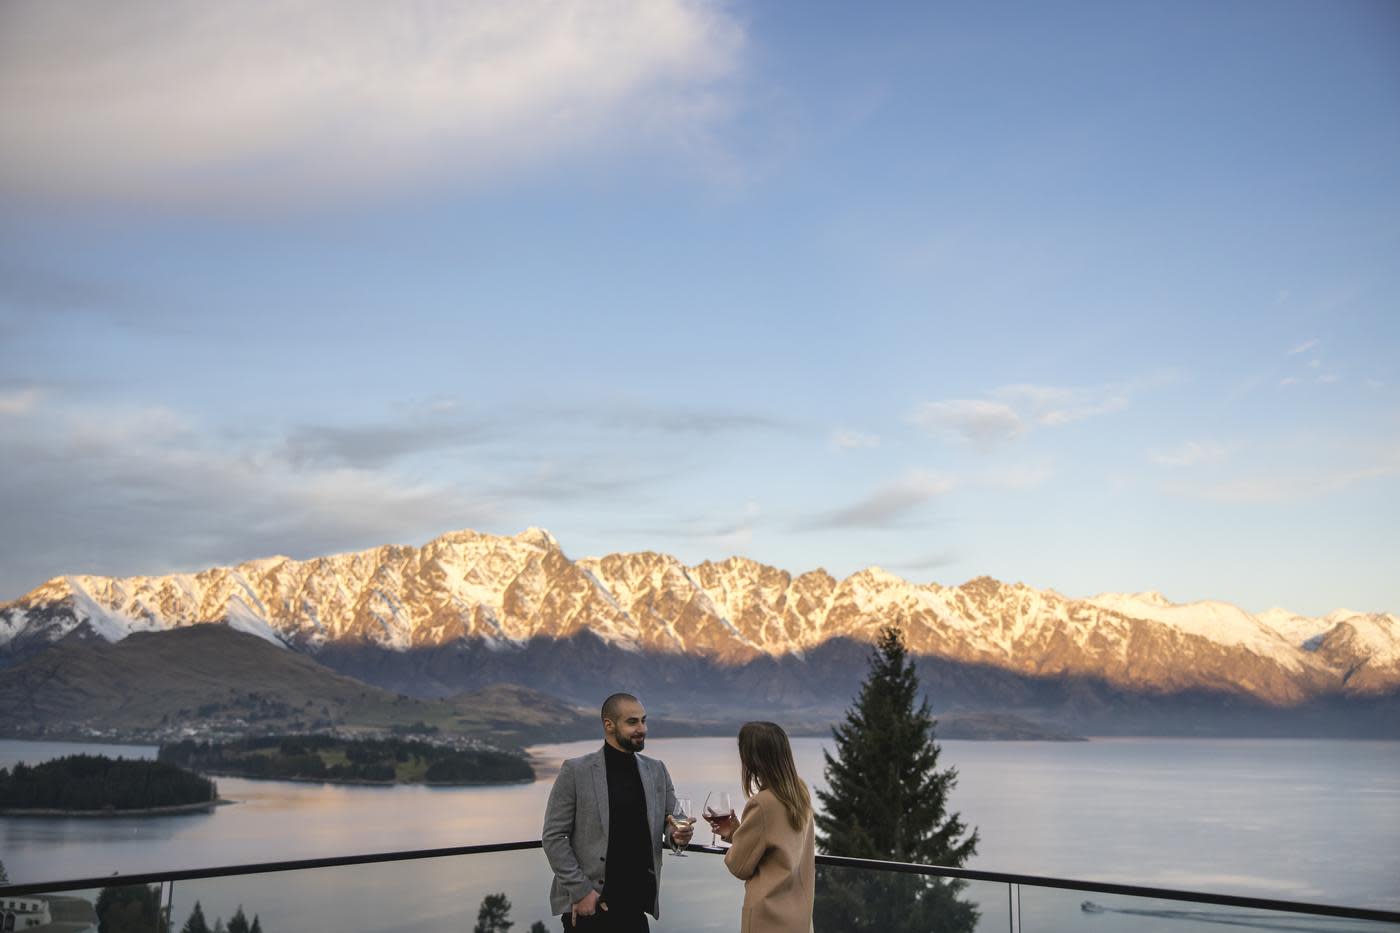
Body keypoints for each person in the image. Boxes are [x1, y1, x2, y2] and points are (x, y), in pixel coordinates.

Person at [542, 693, 693, 931]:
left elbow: (675, 819)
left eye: (644, 720)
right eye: (632, 722)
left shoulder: (656, 770)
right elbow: (553, 837)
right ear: (609, 725)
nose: (642, 728)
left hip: (635, 909)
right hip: (590, 910)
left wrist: (677, 834)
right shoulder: (575, 771)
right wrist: (582, 892)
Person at [711, 721, 816, 933]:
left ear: (751, 760)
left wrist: (736, 839)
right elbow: (782, 845)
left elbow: (739, 866)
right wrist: (737, 834)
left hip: (767, 916)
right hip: (799, 916)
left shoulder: (762, 804)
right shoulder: (800, 793)